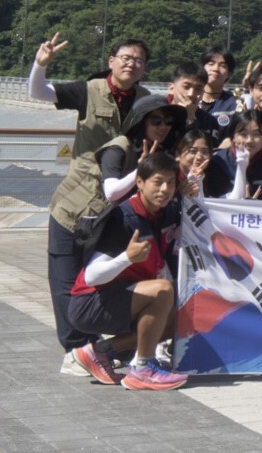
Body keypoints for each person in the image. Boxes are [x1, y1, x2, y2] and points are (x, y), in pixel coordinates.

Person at [30, 33, 146, 373]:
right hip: (74, 203)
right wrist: (41, 65)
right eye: (125, 57)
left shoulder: (144, 101)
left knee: (102, 276)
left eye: (138, 60)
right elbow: (40, 92)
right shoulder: (89, 90)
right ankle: (74, 348)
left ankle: (103, 344)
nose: (131, 63)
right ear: (111, 61)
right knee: (65, 279)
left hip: (114, 209)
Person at [66, 153, 187, 390]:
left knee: (179, 320)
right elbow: (91, 276)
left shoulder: (166, 213)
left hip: (123, 296)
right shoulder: (122, 218)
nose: (165, 189)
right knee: (163, 290)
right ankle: (143, 368)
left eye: (171, 183)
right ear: (140, 182)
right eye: (158, 182)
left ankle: (99, 351)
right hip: (89, 302)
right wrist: (126, 258)